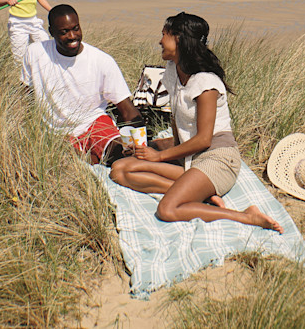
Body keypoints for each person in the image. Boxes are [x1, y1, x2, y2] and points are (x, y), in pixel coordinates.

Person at [110, 12, 283, 233]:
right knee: (120, 169)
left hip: (216, 159)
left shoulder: (206, 82)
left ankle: (246, 216)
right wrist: (153, 147)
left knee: (167, 210)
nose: (160, 40)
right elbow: (180, 128)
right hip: (189, 158)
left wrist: (160, 156)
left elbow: (203, 140)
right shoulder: (173, 72)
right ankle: (203, 195)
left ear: (180, 39)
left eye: (164, 35)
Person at [21, 4, 142, 164]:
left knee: (119, 153)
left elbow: (127, 110)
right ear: (51, 33)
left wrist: (141, 143)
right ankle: (90, 158)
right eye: (64, 32)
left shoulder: (101, 61)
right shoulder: (35, 53)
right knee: (74, 163)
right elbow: (25, 97)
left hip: (94, 124)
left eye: (76, 28)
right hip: (57, 133)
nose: (72, 36)